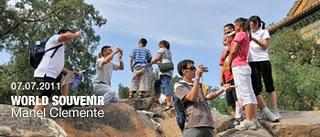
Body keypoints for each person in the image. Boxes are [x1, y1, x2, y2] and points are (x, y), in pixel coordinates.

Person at [174, 59, 231, 137]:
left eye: (195, 68)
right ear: (183, 71)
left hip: (208, 125)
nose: (195, 70)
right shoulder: (179, 85)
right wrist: (197, 78)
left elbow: (207, 97)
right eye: (192, 68)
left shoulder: (198, 85)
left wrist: (222, 89)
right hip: (194, 125)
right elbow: (192, 98)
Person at [33, 29, 81, 111]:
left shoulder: (59, 47)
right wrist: (76, 35)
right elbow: (66, 36)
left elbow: (59, 66)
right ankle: (30, 120)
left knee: (64, 80)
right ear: (61, 33)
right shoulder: (54, 39)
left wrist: (70, 72)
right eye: (70, 33)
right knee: (42, 102)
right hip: (46, 75)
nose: (71, 38)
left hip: (53, 74)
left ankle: (64, 102)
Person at [225, 17, 258, 131]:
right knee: (250, 93)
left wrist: (228, 63)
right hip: (244, 65)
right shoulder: (246, 34)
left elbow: (233, 51)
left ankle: (248, 120)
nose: (233, 28)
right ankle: (253, 119)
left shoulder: (240, 34)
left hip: (239, 66)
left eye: (234, 26)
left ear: (239, 25)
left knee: (244, 94)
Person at [248, 15, 280, 121]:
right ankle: (263, 110)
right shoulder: (248, 33)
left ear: (257, 23)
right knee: (257, 88)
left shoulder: (264, 32)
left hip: (264, 60)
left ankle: (275, 109)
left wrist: (253, 39)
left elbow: (265, 46)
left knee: (269, 85)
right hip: (252, 62)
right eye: (250, 25)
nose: (251, 26)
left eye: (252, 24)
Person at [221, 23, 242, 126]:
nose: (226, 35)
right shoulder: (224, 51)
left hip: (235, 76)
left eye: (229, 32)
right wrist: (221, 78)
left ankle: (239, 117)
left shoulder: (236, 45)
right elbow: (221, 66)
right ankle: (234, 117)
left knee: (238, 97)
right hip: (227, 79)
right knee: (230, 101)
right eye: (225, 33)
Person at [150, 40, 174, 110]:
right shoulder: (168, 51)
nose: (158, 46)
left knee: (165, 84)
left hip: (164, 69)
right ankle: (157, 100)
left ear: (162, 44)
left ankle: (169, 102)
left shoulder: (162, 49)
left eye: (159, 44)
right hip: (169, 69)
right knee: (157, 83)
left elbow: (158, 57)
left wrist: (151, 62)